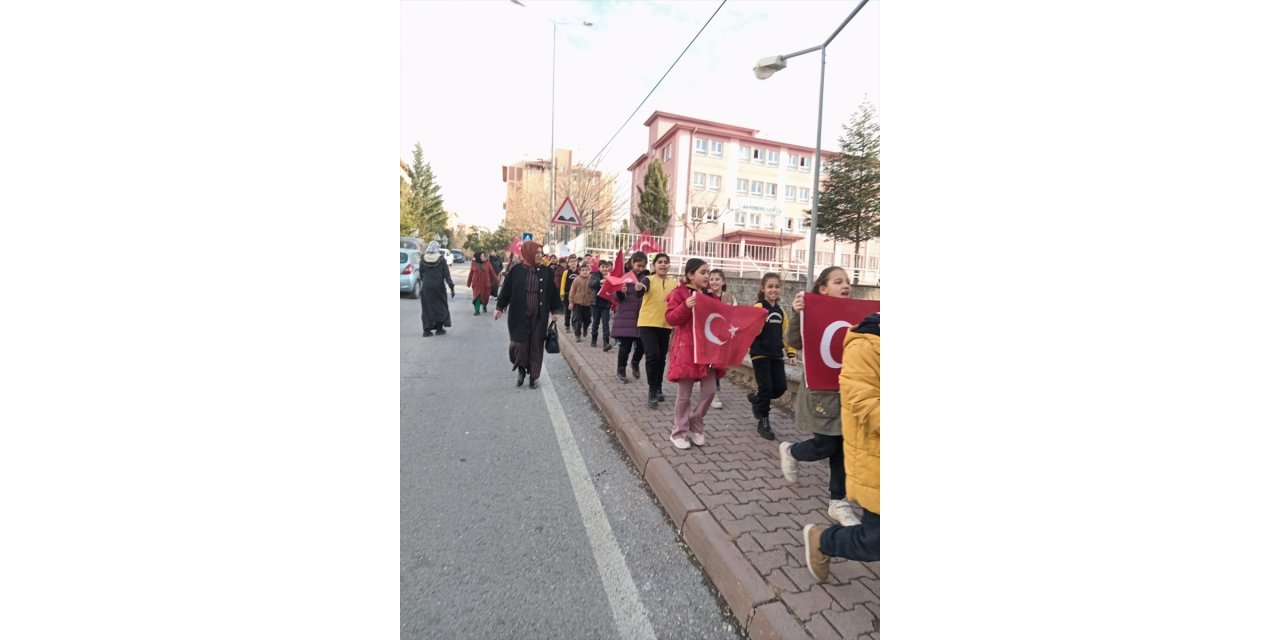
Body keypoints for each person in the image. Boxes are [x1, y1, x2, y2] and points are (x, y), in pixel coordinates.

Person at [779, 267, 859, 526]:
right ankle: (792, 451)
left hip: (849, 393)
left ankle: (838, 501)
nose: (845, 285)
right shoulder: (810, 310)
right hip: (821, 394)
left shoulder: (859, 315)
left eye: (847, 281)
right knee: (826, 445)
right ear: (823, 288)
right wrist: (798, 312)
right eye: (838, 281)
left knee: (842, 448)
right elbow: (794, 341)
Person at [804, 312, 880, 580]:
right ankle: (823, 540)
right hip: (876, 459)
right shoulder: (866, 345)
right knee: (875, 541)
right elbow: (863, 402)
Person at [664, 258, 725, 449]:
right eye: (703, 272)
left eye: (708, 272)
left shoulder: (711, 295)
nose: (708, 276)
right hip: (687, 349)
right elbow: (670, 318)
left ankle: (696, 423)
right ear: (691, 275)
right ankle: (679, 432)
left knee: (710, 390)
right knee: (685, 394)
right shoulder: (679, 293)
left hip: (708, 351)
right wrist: (685, 306)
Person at [494, 241, 562, 389]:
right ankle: (521, 369)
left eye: (540, 252)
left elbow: (552, 293)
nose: (539, 255)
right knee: (518, 345)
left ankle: (533, 376)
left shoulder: (546, 271)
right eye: (536, 252)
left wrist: (555, 311)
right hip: (519, 315)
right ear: (528, 253)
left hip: (539, 315)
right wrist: (499, 307)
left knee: (536, 345)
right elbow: (506, 290)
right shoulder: (516, 270)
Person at [748, 273, 797, 439]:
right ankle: (763, 421)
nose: (773, 289)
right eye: (770, 286)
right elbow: (751, 330)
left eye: (776, 286)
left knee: (780, 387)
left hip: (776, 355)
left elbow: (787, 334)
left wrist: (791, 352)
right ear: (763, 288)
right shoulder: (758, 307)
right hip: (759, 354)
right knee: (766, 387)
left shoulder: (781, 311)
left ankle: (757, 398)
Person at [636, 253, 678, 408]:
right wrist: (639, 288)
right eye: (660, 262)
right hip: (647, 323)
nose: (663, 265)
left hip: (665, 325)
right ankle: (652, 389)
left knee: (661, 358)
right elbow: (641, 290)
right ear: (654, 265)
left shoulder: (674, 283)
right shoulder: (648, 279)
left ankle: (659, 387)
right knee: (652, 355)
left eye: (666, 262)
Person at [610, 252, 648, 384]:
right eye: (638, 265)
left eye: (643, 266)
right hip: (626, 316)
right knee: (625, 346)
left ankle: (635, 362)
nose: (640, 268)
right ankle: (621, 370)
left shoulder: (646, 277)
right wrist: (621, 291)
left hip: (642, 317)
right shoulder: (624, 275)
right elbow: (616, 296)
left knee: (643, 344)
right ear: (632, 262)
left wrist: (641, 290)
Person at [706, 268, 735, 409]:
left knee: (717, 365)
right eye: (711, 279)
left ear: (723, 281)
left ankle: (713, 391)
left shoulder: (729, 297)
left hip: (722, 338)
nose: (714, 282)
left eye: (717, 279)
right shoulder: (705, 296)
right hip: (708, 336)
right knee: (710, 365)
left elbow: (736, 315)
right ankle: (712, 391)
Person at [419, 241, 454, 337]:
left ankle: (427, 330)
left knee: (427, 308)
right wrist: (451, 286)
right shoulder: (441, 259)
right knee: (440, 306)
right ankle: (439, 328)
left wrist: (425, 282)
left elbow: (421, 274)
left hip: (426, 286)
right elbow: (446, 274)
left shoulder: (423, 258)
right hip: (438, 287)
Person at [587, 258, 613, 350]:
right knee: (596, 323)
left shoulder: (611, 277)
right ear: (599, 268)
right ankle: (594, 339)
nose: (605, 269)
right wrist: (599, 282)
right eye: (603, 267)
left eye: (606, 267)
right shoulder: (595, 275)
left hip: (606, 304)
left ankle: (606, 342)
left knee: (606, 324)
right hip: (596, 303)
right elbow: (591, 284)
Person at [567, 262, 594, 342]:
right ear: (579, 272)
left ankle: (585, 328)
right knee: (578, 320)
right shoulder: (577, 279)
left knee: (588, 320)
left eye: (587, 270)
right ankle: (578, 335)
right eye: (583, 270)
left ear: (589, 271)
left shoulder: (592, 279)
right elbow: (572, 291)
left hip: (588, 304)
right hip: (577, 303)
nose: (585, 271)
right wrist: (571, 302)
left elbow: (594, 291)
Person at [467, 251, 498, 316]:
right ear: (478, 257)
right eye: (482, 256)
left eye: (484, 256)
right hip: (476, 283)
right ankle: (477, 310)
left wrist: (497, 281)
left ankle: (484, 305)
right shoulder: (474, 263)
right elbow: (471, 273)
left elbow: (492, 272)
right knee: (477, 297)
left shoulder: (488, 263)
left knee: (485, 297)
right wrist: (468, 282)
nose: (483, 257)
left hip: (485, 284)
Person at [559, 255, 579, 332]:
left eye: (574, 261)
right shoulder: (566, 272)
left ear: (577, 263)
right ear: (568, 263)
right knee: (567, 311)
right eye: (571, 261)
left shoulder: (579, 272)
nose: (573, 263)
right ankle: (567, 325)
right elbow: (562, 284)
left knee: (576, 311)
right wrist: (562, 294)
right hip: (567, 294)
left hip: (577, 295)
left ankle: (574, 324)